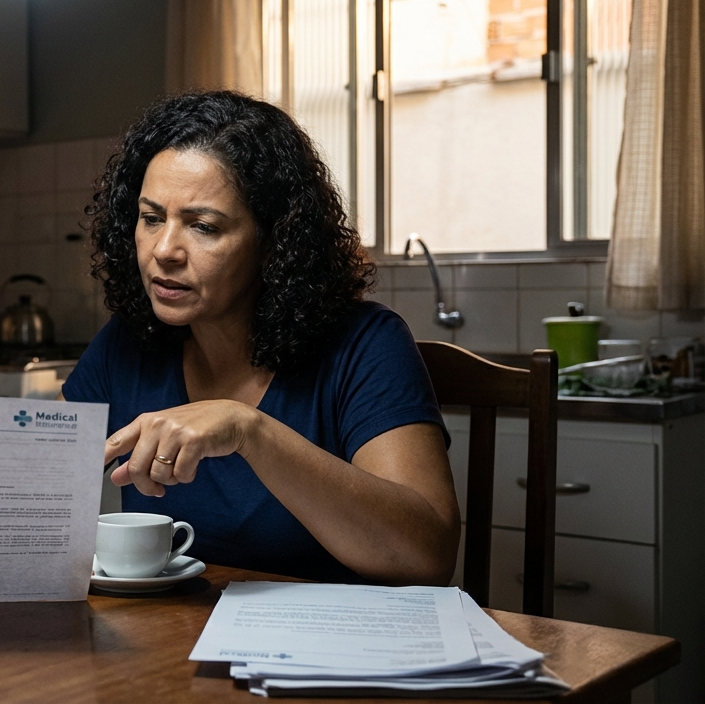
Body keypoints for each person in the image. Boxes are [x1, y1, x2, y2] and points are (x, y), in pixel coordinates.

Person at [62, 91, 460, 585]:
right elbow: (30, 487)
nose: (164, 250)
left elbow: (428, 557)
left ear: (274, 241)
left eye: (203, 226)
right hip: (174, 629)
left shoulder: (365, 344)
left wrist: (249, 430)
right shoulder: (127, 343)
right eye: (151, 218)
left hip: (329, 631)